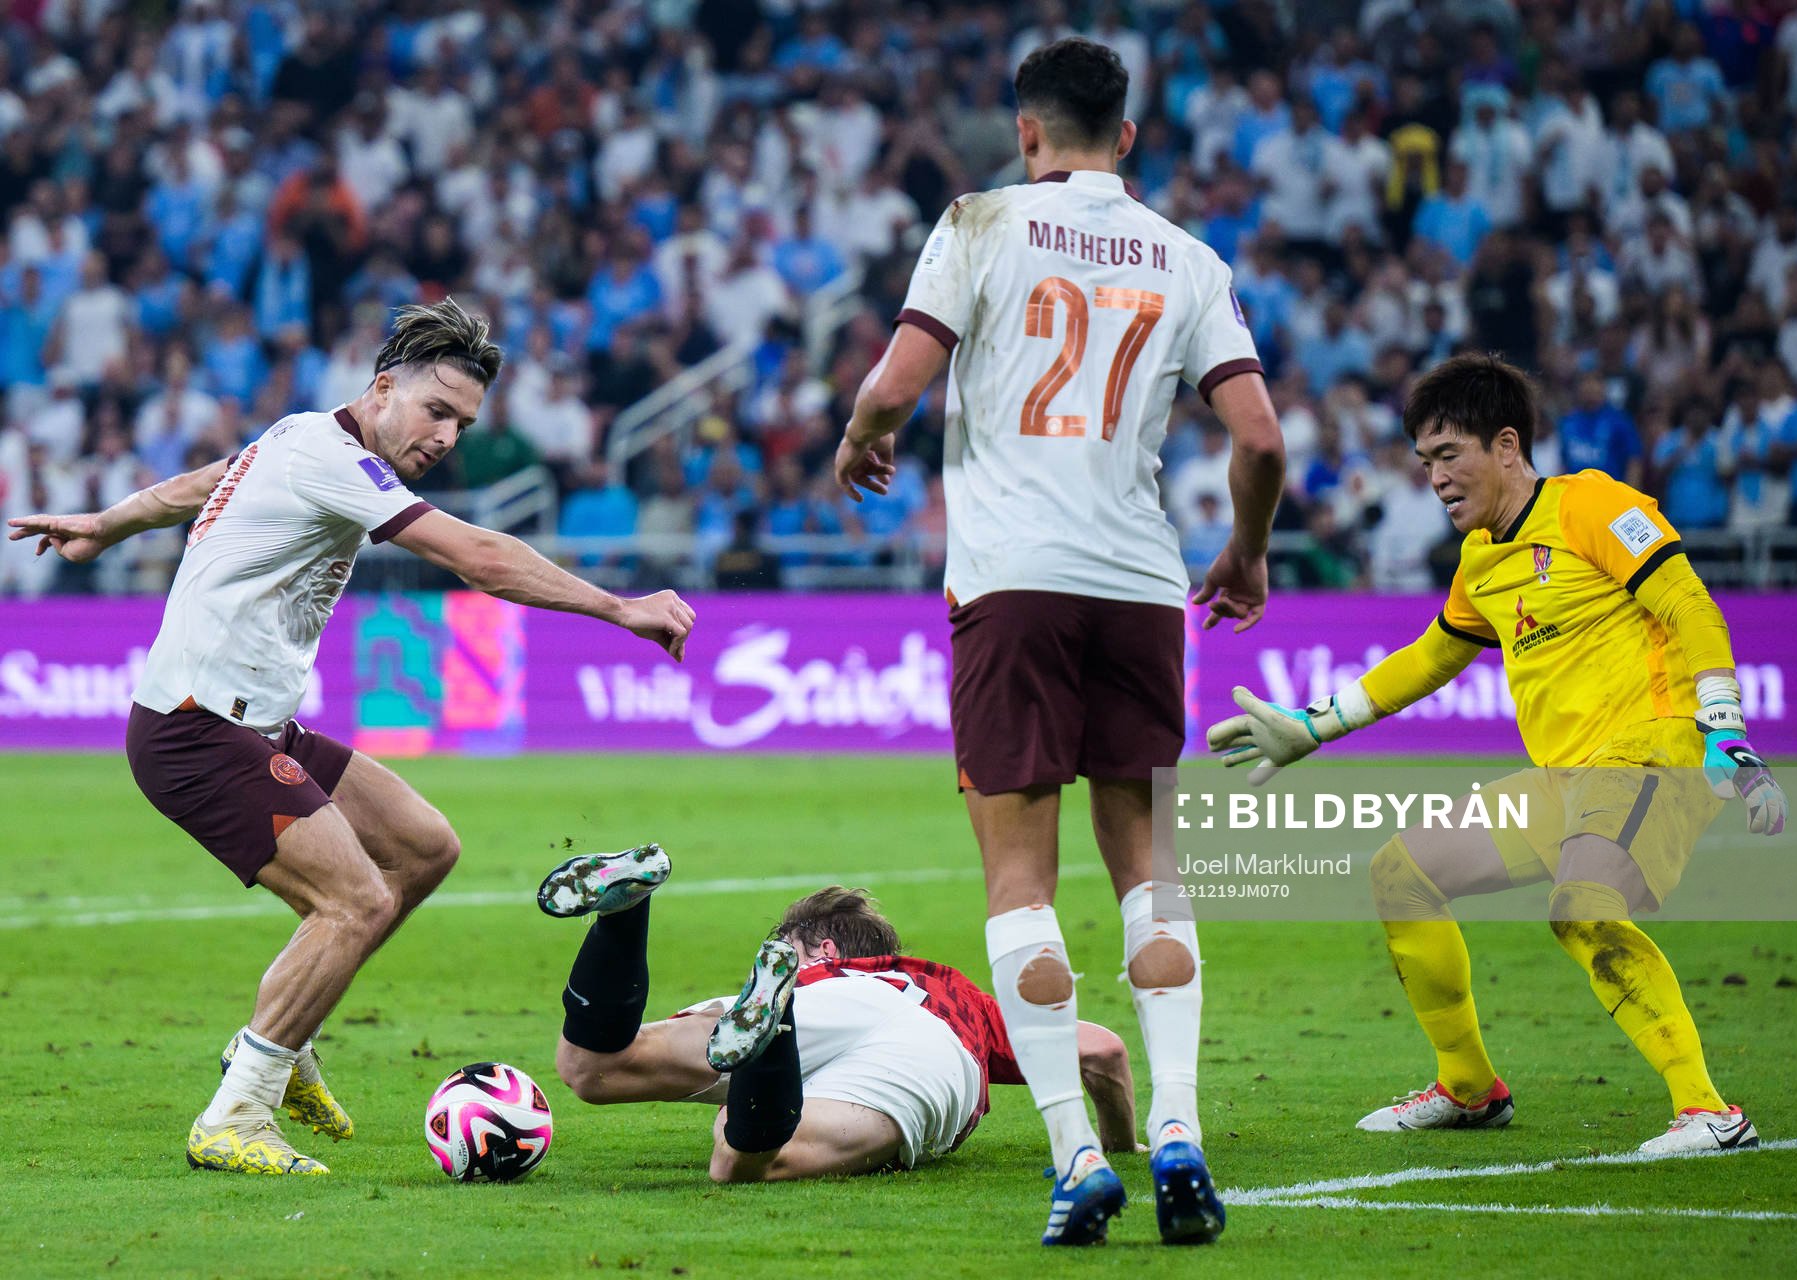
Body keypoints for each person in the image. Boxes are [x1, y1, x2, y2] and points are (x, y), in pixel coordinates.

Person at [5, 299, 696, 1177]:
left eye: (464, 422)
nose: (447, 436)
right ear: (381, 390)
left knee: (423, 847)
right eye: (436, 410)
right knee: (356, 902)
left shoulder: (299, 437)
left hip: (254, 723)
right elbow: (475, 556)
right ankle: (238, 1110)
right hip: (195, 731)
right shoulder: (330, 458)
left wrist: (109, 522)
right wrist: (617, 606)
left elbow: (207, 479)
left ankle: (278, 1045)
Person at [829, 38, 1285, 1246]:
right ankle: (1179, 1126)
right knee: (1150, 868)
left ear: (1027, 133)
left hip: (1013, 585)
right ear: (1126, 138)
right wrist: (1245, 549)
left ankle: (1080, 1158)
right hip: (1139, 585)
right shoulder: (1193, 260)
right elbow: (1263, 436)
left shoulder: (980, 221)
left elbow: (898, 377)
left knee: (1019, 881)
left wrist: (863, 436)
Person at [1208, 353, 1786, 1155]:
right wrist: (1315, 725)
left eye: (1450, 456)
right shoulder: (1482, 559)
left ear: (1507, 446)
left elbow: (1687, 603)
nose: (1436, 479)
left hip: (1650, 757)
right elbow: (1429, 657)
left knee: (1580, 907)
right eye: (1424, 462)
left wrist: (1724, 722)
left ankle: (1710, 1112)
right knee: (1401, 872)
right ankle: (1470, 1089)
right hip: (1564, 781)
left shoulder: (1592, 504)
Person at [534, 849, 1137, 1180]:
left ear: (822, 952)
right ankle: (776, 1036)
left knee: (593, 1067)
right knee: (736, 1155)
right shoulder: (963, 997)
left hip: (821, 1000)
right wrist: (1120, 1143)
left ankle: (626, 911)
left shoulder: (827, 976)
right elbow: (1102, 1050)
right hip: (937, 1050)